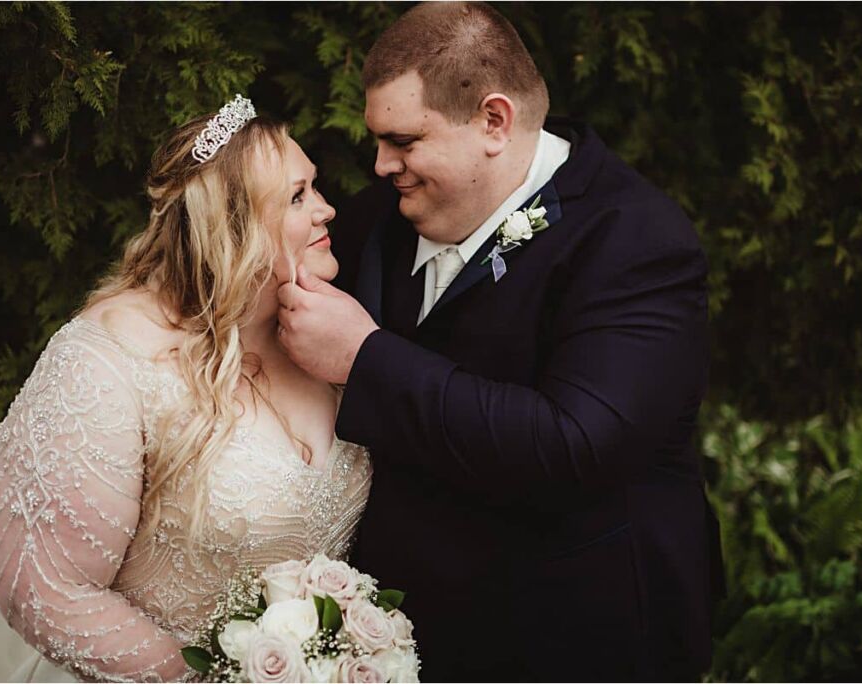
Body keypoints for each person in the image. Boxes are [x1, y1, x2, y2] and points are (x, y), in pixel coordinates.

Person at [276, 2, 724, 681]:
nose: (379, 165)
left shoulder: (635, 242)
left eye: (404, 141)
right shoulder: (378, 221)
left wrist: (365, 359)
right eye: (378, 141)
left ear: (494, 120)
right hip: (402, 641)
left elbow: (574, 445)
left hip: (572, 640)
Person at [0, 96, 371, 682]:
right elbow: (45, 589)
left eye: (316, 187)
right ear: (232, 225)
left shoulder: (325, 334)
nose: (327, 209)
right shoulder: (109, 356)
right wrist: (201, 678)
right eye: (298, 196)